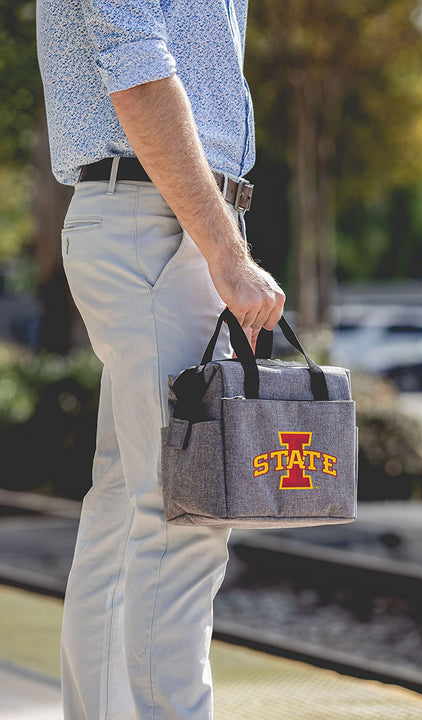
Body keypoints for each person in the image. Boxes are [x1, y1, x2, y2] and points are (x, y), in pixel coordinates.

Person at [35, 0, 285, 717]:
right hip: (161, 223)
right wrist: (227, 254)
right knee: (187, 509)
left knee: (127, 503)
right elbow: (138, 71)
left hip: (159, 216)